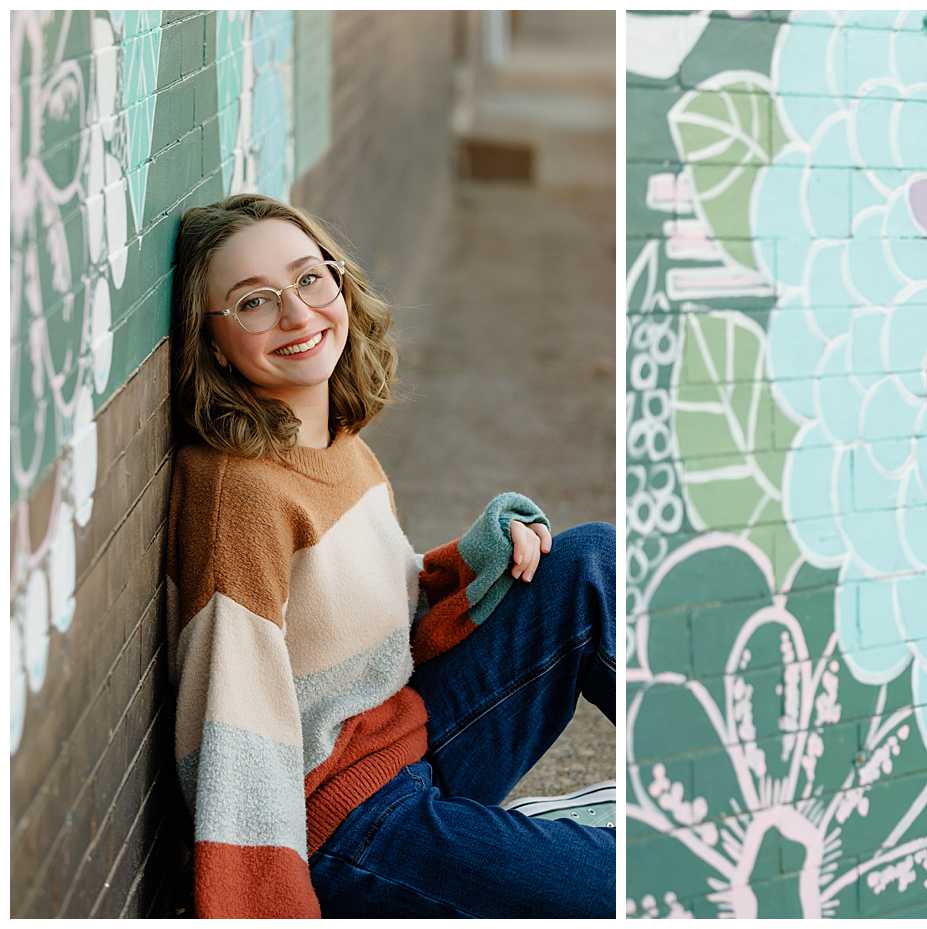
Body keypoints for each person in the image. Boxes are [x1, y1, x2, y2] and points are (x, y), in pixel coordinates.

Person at [165, 194, 614, 917]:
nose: (298, 313)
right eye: (254, 302)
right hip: (345, 830)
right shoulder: (241, 499)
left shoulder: (334, 441)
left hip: (408, 740)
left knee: (590, 561)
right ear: (213, 341)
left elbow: (376, 622)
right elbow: (235, 741)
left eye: (311, 278)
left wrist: (477, 558)